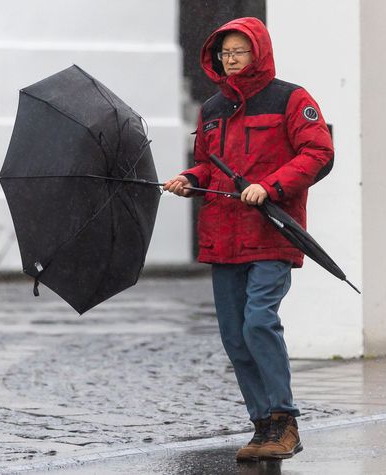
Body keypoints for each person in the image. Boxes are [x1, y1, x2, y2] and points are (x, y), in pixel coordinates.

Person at [164, 17, 333, 462]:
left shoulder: (291, 99)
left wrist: (271, 186)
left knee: (259, 322)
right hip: (223, 238)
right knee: (234, 338)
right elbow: (208, 166)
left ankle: (285, 422)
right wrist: (187, 178)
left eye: (239, 51)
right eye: (225, 53)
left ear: (258, 52)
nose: (231, 59)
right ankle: (262, 428)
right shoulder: (212, 109)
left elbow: (319, 152)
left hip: (271, 232)